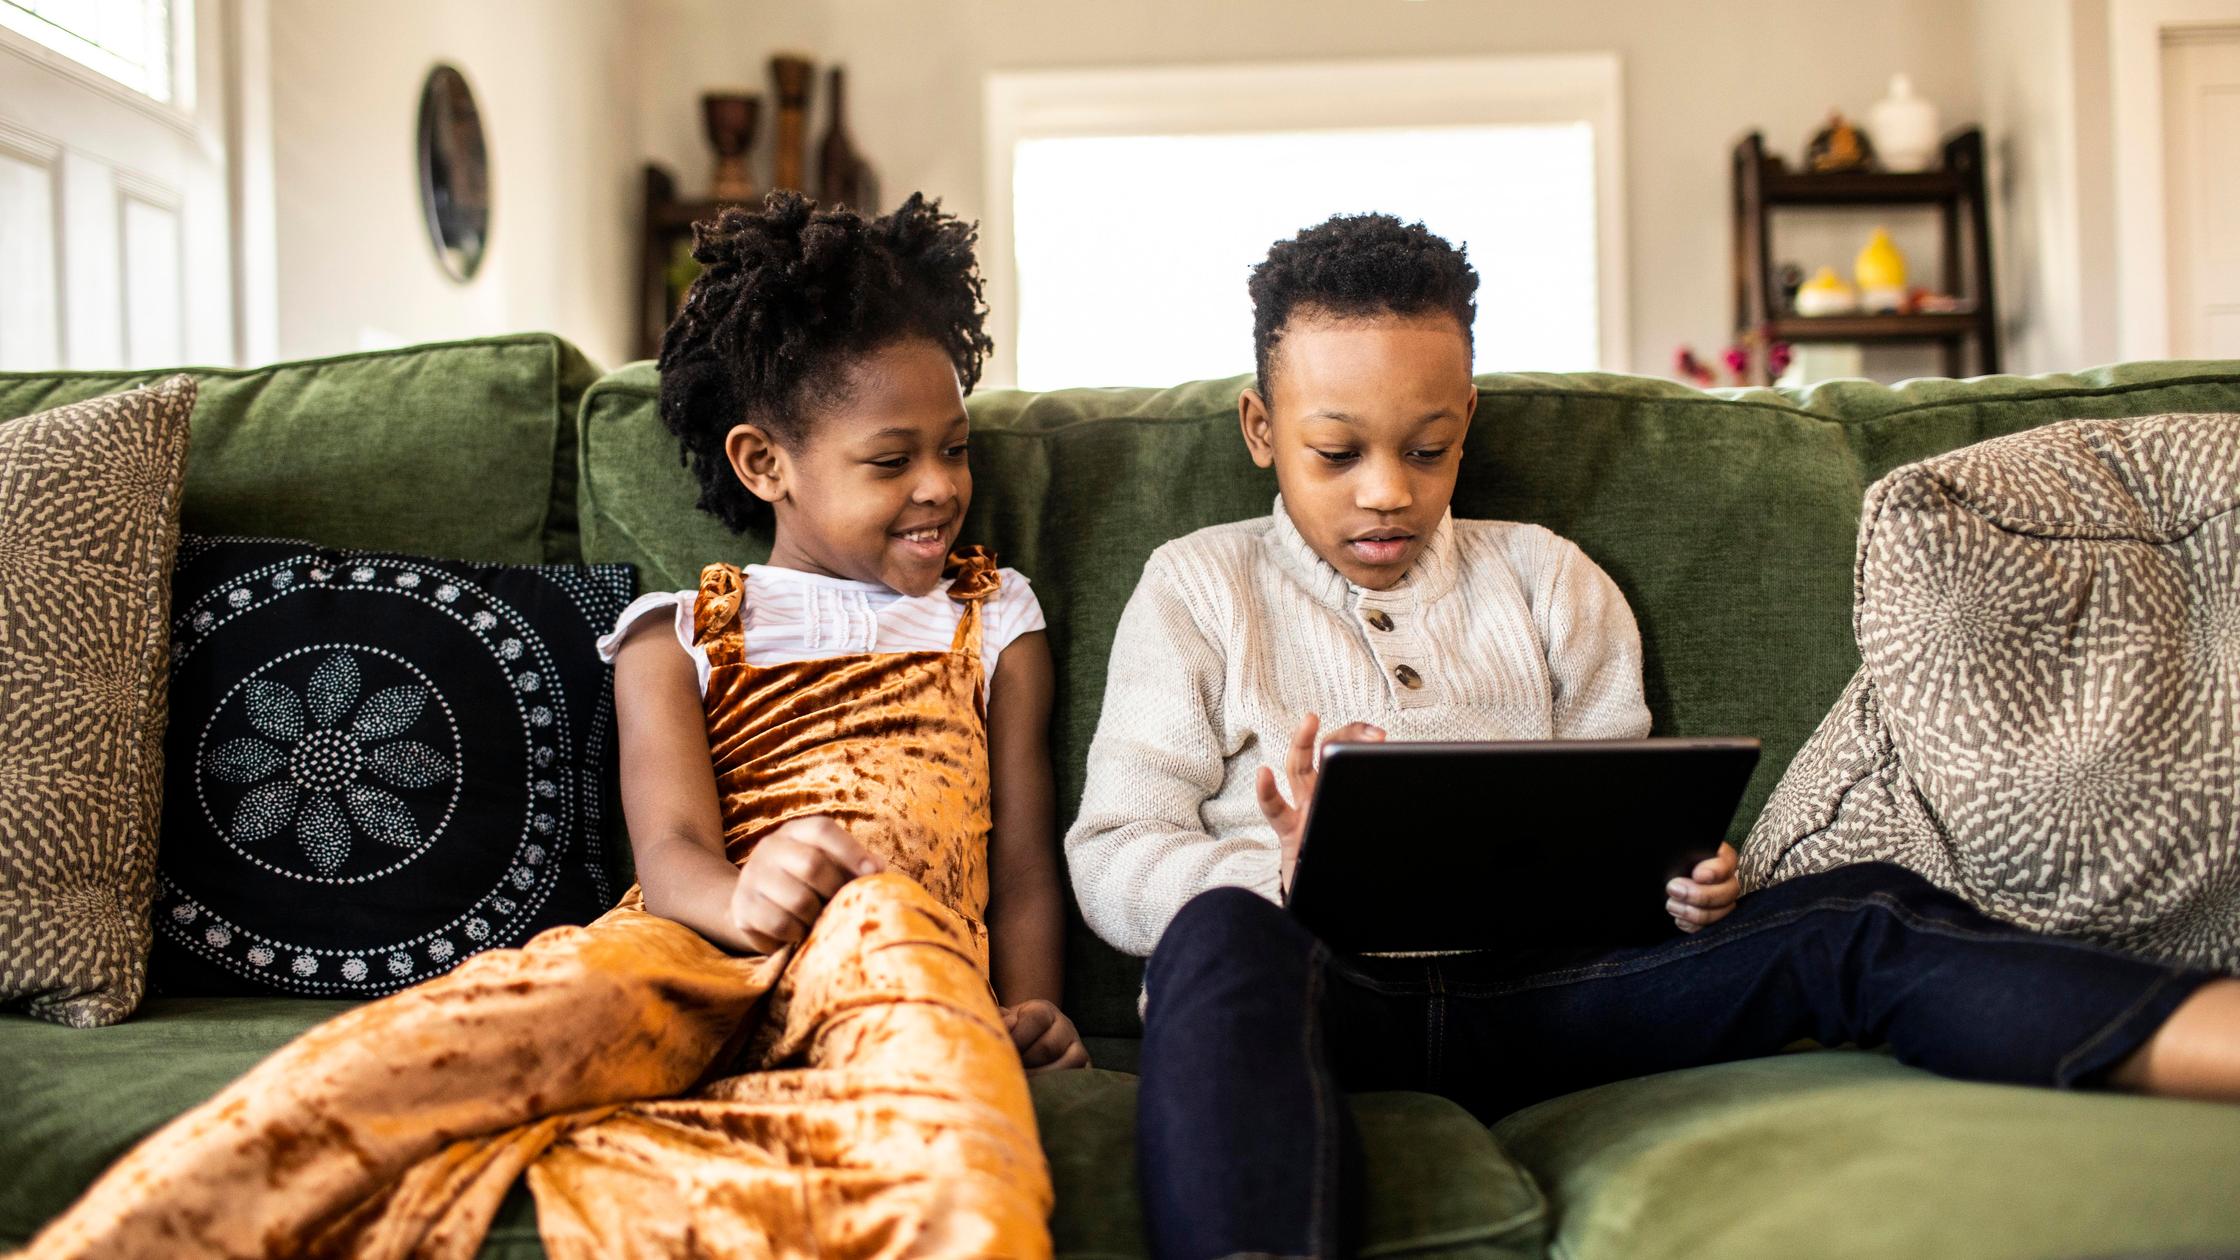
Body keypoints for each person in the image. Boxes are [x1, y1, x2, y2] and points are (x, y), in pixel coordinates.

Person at [1064, 212, 2240, 1260]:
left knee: (1858, 916)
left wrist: (1679, 885)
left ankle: (2198, 1040)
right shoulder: (1198, 587)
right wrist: (1280, 875)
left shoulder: (1547, 579)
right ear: (1260, 428)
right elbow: (1113, 851)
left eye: (1426, 449)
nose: (1386, 491)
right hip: (1321, 998)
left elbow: (1615, 824)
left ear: (1466, 419)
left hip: (1553, 1000)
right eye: (1337, 453)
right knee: (1214, 939)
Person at [32, 191, 1082, 1260]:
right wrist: (741, 898)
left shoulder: (995, 618)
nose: (940, 487)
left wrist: (1033, 1004)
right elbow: (671, 852)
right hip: (691, 951)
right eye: (892, 461)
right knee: (471, 1030)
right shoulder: (674, 636)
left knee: (910, 997)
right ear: (764, 464)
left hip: (892, 953)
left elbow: (1022, 862)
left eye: (955, 449)